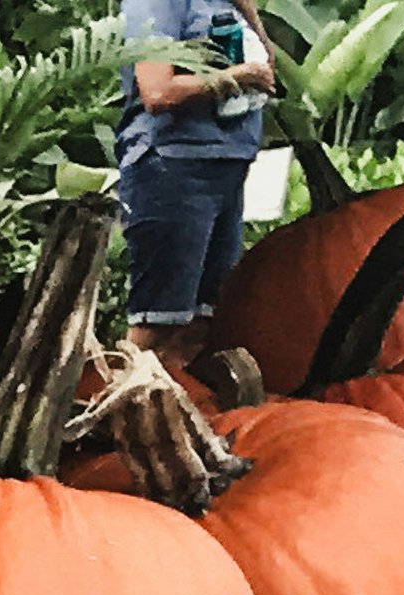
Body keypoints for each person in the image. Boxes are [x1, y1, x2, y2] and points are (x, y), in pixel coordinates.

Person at [118, 0, 284, 348]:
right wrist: (236, 78)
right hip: (174, 165)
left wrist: (254, 22)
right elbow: (157, 91)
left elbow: (265, 58)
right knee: (161, 321)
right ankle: (126, 399)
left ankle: (183, 399)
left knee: (205, 321)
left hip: (226, 165)